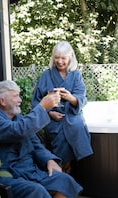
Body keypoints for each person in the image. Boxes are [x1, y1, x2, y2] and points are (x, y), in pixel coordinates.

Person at [0, 80, 82, 198]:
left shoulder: (19, 118)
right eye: (16, 96)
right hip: (5, 175)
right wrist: (42, 107)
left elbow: (35, 144)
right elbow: (17, 131)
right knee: (36, 191)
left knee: (64, 180)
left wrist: (49, 160)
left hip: (28, 171)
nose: (20, 100)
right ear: (3, 101)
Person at [31, 41, 93, 172]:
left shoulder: (75, 75)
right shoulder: (46, 75)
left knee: (77, 127)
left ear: (70, 57)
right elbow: (36, 101)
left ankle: (67, 170)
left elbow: (81, 97)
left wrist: (70, 97)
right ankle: (62, 171)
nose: (59, 61)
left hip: (71, 114)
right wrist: (49, 113)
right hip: (53, 118)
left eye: (63, 58)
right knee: (59, 137)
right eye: (56, 57)